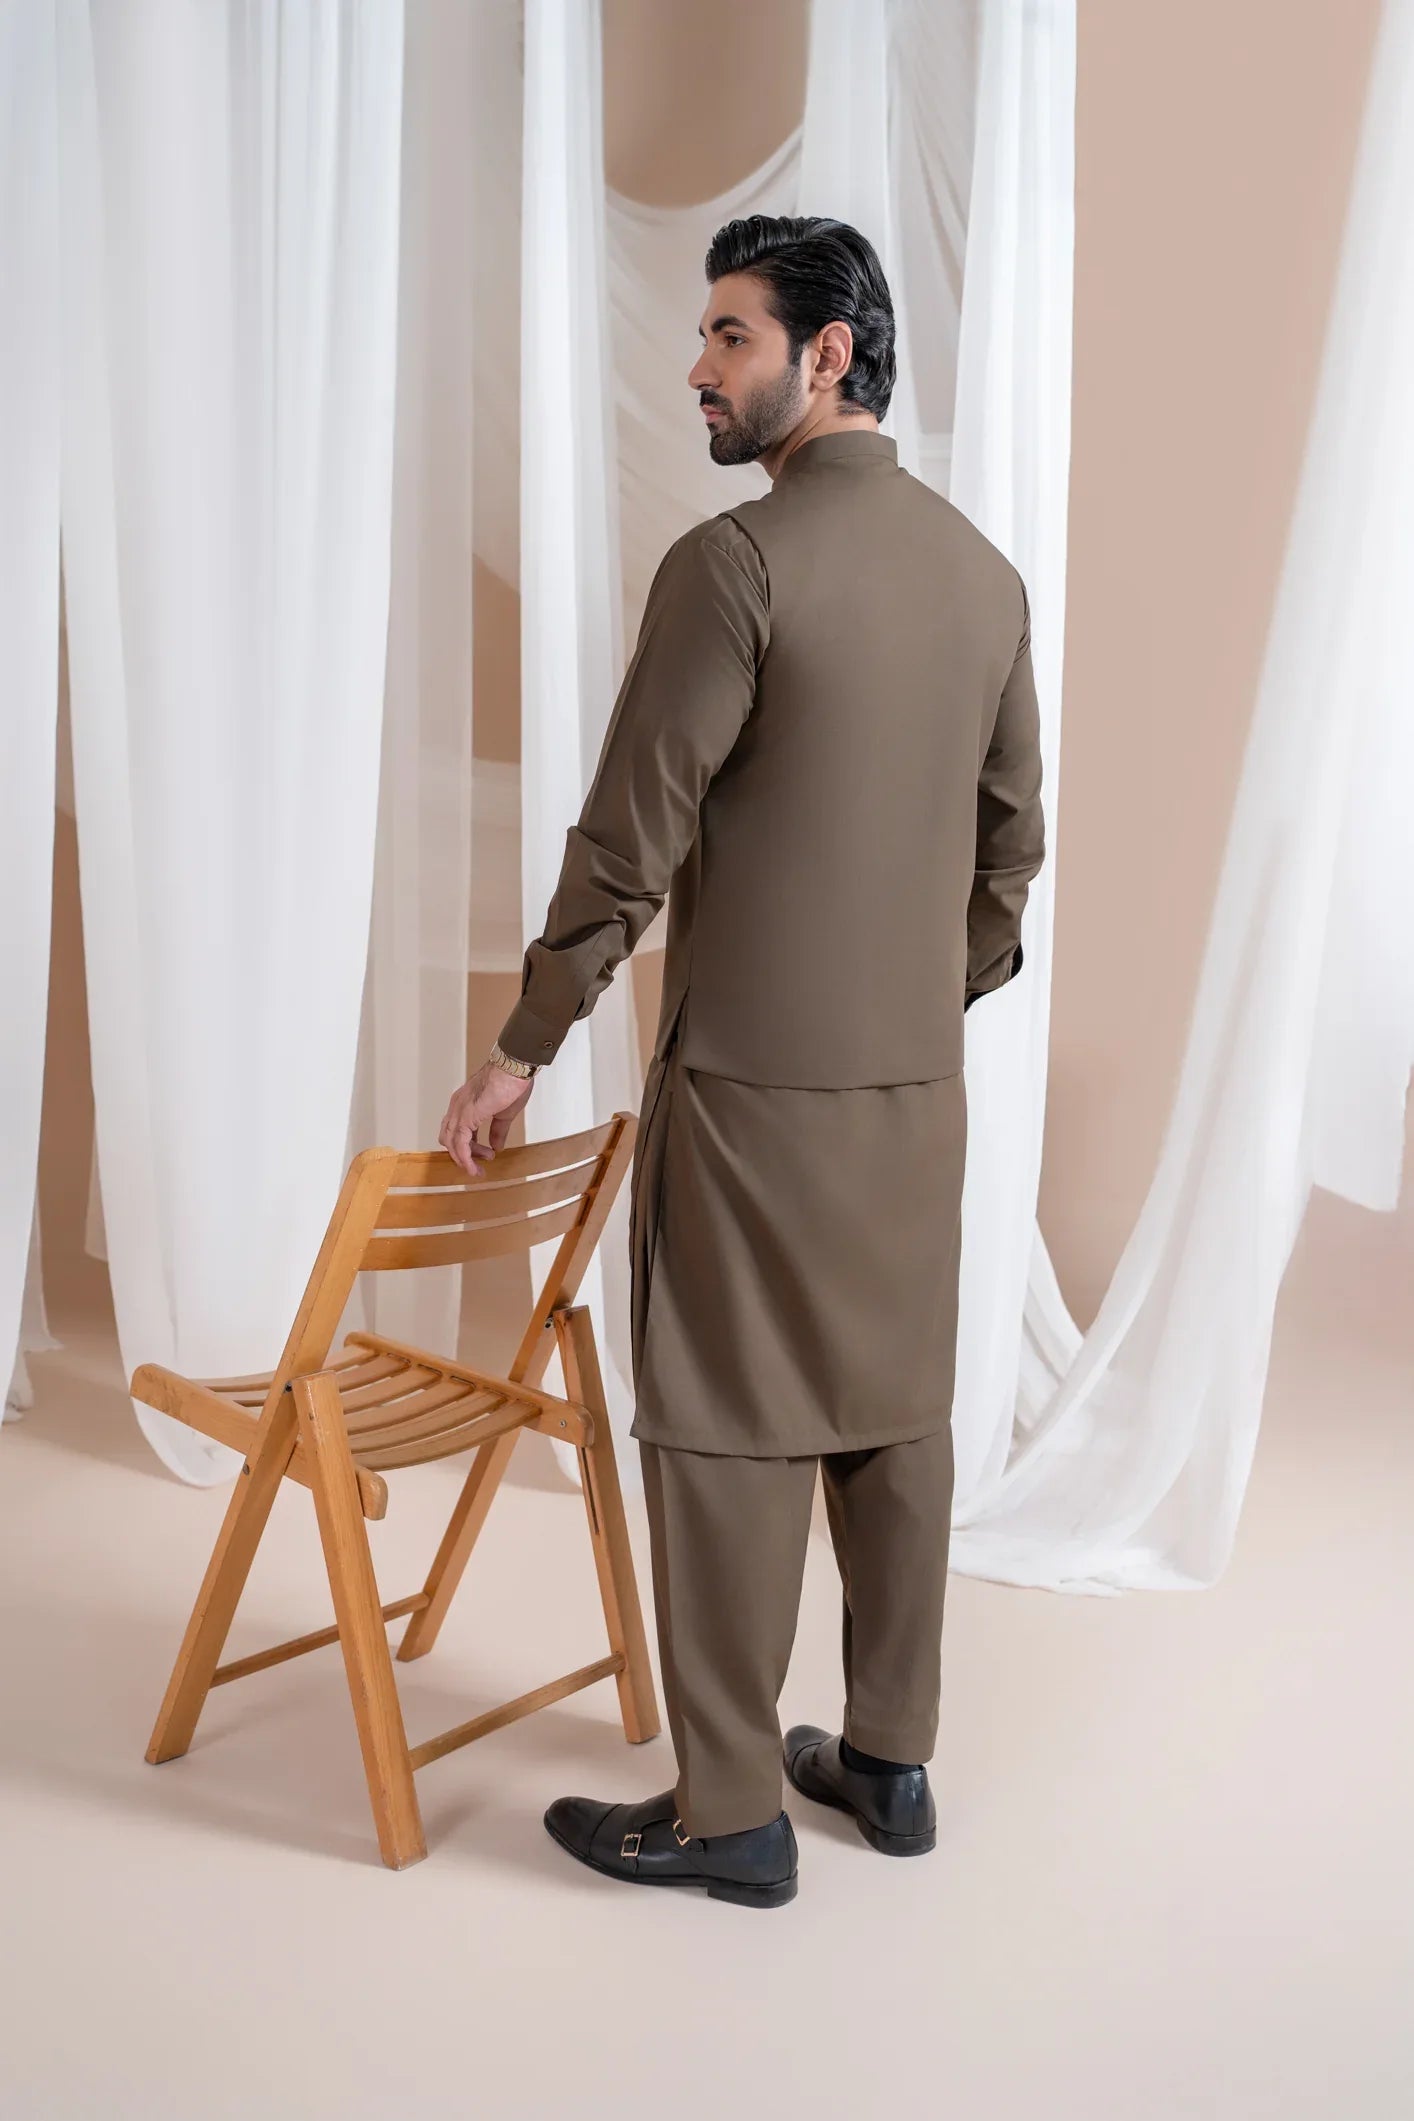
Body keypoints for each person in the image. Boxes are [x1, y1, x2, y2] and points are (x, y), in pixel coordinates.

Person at [439, 214, 1046, 1910]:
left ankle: (728, 1813)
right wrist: (913, 1006)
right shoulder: (983, 578)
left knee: (720, 1427)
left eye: (727, 336)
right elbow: (1011, 849)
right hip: (911, 1098)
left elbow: (627, 838)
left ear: (825, 355)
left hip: (746, 1096)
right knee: (891, 1418)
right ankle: (889, 1762)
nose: (697, 368)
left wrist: (523, 1043)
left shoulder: (734, 567)